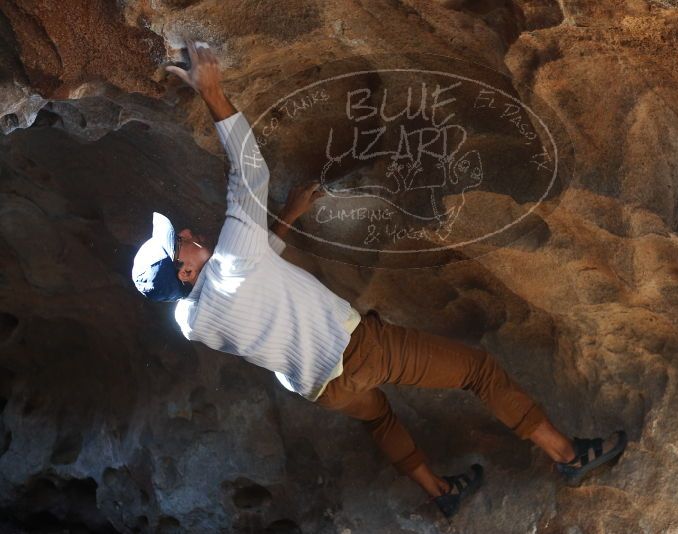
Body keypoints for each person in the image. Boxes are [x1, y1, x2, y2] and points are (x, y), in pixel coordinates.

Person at [131, 40, 627, 519]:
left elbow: (259, 271)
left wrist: (290, 215)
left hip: (319, 388)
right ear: (186, 269)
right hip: (360, 352)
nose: (192, 233)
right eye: (183, 242)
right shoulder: (231, 261)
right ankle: (567, 456)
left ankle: (440, 492)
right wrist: (212, 91)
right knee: (479, 371)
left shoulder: (189, 320)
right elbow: (249, 174)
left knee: (379, 416)